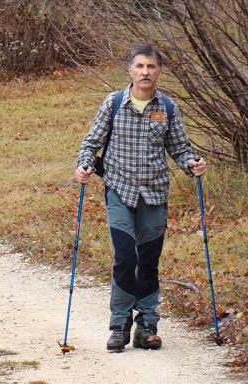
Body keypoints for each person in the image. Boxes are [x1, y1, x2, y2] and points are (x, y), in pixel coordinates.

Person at [75, 44, 207, 352]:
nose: (145, 72)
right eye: (140, 66)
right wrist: (83, 165)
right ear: (130, 71)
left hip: (155, 194)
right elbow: (91, 143)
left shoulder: (168, 108)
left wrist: (193, 163)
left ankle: (147, 325)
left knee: (148, 260)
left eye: (151, 67)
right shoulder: (114, 103)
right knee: (126, 257)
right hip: (119, 191)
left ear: (159, 71)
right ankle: (120, 324)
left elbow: (180, 148)